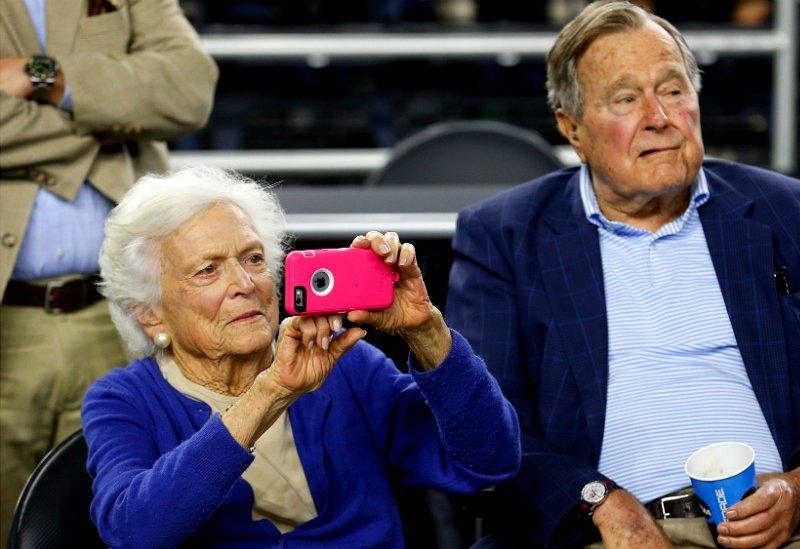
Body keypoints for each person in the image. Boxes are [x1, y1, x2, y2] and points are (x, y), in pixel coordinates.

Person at [446, 2, 800, 547]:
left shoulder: (787, 214)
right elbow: (486, 433)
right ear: (572, 128)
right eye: (627, 99)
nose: (660, 117)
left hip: (795, 531)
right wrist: (597, 500)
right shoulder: (505, 236)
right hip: (602, 535)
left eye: (672, 91)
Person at [83, 166, 520, 547]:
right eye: (208, 270)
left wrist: (427, 332)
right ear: (151, 316)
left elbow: (488, 463)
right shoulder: (123, 400)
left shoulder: (347, 365)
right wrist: (270, 393)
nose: (245, 283)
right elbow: (134, 532)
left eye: (253, 258)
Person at [0, 0, 217, 537]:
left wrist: (39, 76)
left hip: (126, 311)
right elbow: (156, 102)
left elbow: (188, 89)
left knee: (132, 518)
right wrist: (110, 124)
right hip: (9, 317)